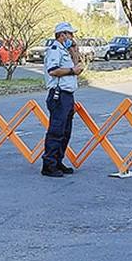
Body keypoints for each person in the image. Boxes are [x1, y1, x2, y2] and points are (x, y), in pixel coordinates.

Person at [41, 22, 84, 178]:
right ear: (62, 34)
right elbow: (53, 71)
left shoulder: (65, 50)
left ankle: (58, 161)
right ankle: (49, 164)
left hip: (68, 95)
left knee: (66, 132)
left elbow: (77, 65)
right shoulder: (54, 50)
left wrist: (74, 51)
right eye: (70, 34)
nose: (72, 37)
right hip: (58, 95)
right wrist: (72, 70)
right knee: (56, 131)